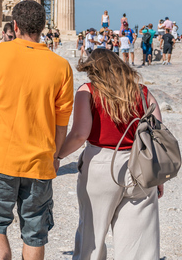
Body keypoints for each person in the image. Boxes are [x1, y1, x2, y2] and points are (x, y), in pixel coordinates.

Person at [0, 0, 74, 260]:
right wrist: (56, 156)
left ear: (14, 26)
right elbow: (61, 123)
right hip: (39, 160)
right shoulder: (61, 67)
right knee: (34, 232)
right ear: (43, 27)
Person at [57, 48, 164, 260]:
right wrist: (158, 175)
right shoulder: (142, 92)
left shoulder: (87, 91)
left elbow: (80, 134)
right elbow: (157, 133)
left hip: (101, 163)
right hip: (140, 165)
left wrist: (57, 156)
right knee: (139, 242)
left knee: (92, 235)